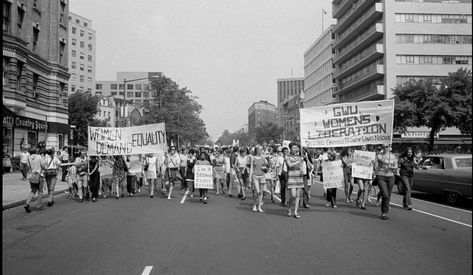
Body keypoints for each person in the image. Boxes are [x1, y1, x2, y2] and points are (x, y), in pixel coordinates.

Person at [376, 144, 398, 220]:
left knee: (388, 195)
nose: (385, 148)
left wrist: (392, 167)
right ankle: (384, 210)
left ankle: (384, 213)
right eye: (383, 147)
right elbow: (381, 161)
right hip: (381, 176)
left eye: (386, 147)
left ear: (390, 147)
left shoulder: (393, 156)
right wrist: (385, 153)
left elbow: (396, 166)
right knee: (385, 194)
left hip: (391, 176)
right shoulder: (379, 155)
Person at [285, 142, 304, 218]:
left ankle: (295, 212)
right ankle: (289, 207)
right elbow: (290, 165)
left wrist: (302, 170)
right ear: (290, 149)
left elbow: (301, 165)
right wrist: (299, 161)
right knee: (293, 195)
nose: (295, 149)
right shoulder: (287, 156)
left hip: (299, 176)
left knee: (298, 195)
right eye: (294, 148)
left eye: (296, 148)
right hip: (291, 176)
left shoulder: (299, 156)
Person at [24, 148, 44, 212]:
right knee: (40, 191)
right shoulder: (39, 157)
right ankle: (38, 205)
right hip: (39, 175)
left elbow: (28, 167)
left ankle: (27, 203)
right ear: (36, 151)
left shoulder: (28, 158)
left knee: (33, 190)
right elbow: (43, 165)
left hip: (32, 176)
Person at [249, 145, 268, 213]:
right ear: (257, 150)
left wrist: (265, 166)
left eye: (262, 149)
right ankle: (254, 205)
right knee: (257, 191)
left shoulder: (263, 157)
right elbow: (251, 168)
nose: (261, 150)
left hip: (262, 176)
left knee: (261, 192)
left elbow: (267, 165)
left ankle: (259, 207)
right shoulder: (253, 158)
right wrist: (250, 178)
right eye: (260, 149)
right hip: (255, 176)